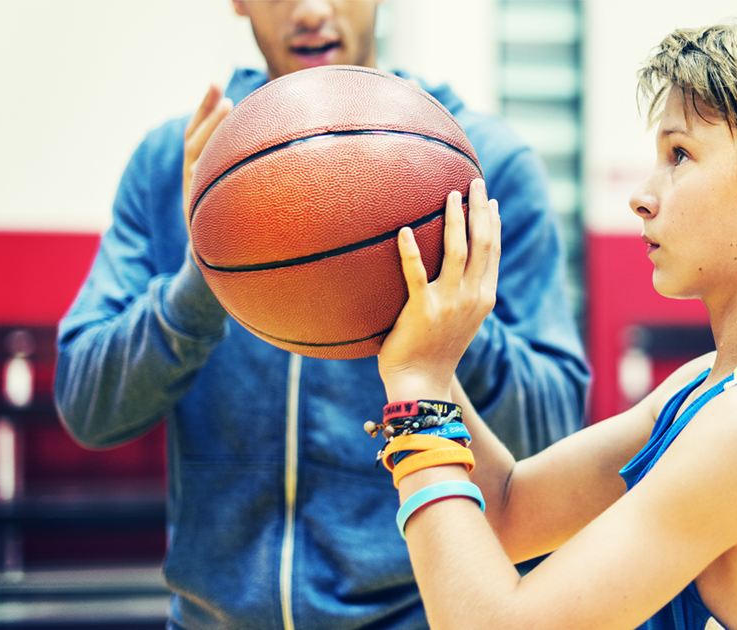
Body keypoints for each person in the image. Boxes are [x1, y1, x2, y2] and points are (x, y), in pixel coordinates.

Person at [371, 19, 737, 629]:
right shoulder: (710, 387)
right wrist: (415, 344)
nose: (641, 195)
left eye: (679, 155)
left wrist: (417, 389)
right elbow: (505, 514)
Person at [54, 0, 589, 628]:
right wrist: (202, 280)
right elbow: (87, 408)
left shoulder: (479, 164)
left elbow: (554, 428)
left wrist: (447, 305)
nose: (310, 10)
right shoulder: (175, 165)